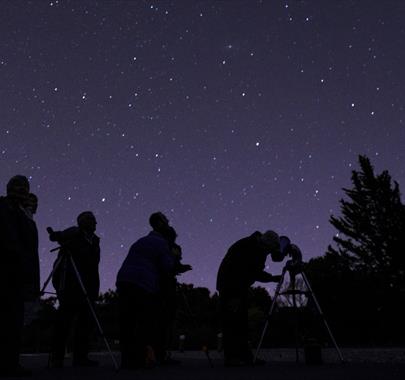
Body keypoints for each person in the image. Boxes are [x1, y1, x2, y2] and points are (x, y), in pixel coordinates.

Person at [116, 214, 176, 369]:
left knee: (127, 322)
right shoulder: (161, 243)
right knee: (144, 321)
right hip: (142, 283)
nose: (168, 222)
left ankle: (126, 360)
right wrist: (176, 264)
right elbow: (167, 266)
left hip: (124, 280)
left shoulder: (141, 241)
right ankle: (140, 359)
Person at [216, 230, 283, 367]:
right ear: (266, 244)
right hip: (231, 286)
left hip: (239, 286)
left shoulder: (256, 247)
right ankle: (231, 358)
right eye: (269, 250)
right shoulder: (249, 247)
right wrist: (234, 295)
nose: (269, 253)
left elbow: (253, 272)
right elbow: (246, 271)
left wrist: (271, 278)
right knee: (232, 323)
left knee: (242, 323)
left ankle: (245, 357)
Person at [48, 211, 100, 368]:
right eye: (90, 219)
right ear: (82, 222)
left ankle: (81, 357)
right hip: (70, 282)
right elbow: (57, 237)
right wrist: (55, 235)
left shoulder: (95, 241)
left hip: (88, 285)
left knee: (85, 322)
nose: (94, 223)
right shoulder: (74, 233)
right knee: (64, 320)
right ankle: (57, 358)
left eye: (94, 220)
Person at [0, 175, 38, 377]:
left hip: (18, 273)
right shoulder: (4, 207)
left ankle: (10, 362)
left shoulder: (23, 214)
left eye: (24, 188)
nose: (21, 191)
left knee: (14, 320)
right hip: (6, 269)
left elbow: (29, 245)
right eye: (17, 187)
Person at [148, 213, 192, 365]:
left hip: (164, 283)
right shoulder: (159, 242)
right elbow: (165, 264)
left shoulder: (166, 243)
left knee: (165, 319)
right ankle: (159, 354)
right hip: (160, 284)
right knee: (162, 320)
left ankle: (160, 353)